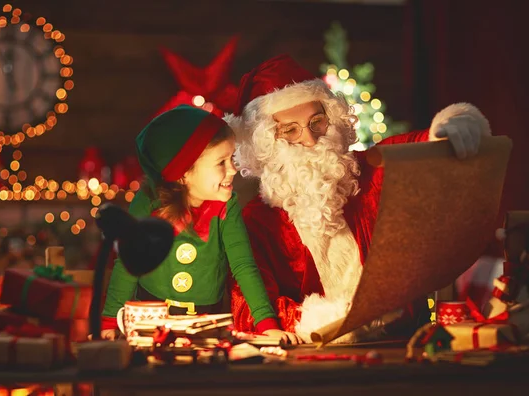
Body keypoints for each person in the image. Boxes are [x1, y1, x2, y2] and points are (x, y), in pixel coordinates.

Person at [224, 54, 492, 343]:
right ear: (268, 142)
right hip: (313, 360)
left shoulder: (367, 172)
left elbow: (420, 148)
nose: (311, 139)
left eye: (317, 121)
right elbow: (250, 309)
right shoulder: (257, 222)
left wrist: (451, 125)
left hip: (403, 343)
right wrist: (327, 320)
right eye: (290, 130)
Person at [100, 105, 298, 343]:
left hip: (208, 323)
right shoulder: (149, 203)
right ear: (184, 173)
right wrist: (110, 321)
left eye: (232, 158)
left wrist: (267, 325)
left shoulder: (227, 206)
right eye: (221, 162)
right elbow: (128, 264)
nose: (233, 169)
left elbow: (243, 266)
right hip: (151, 323)